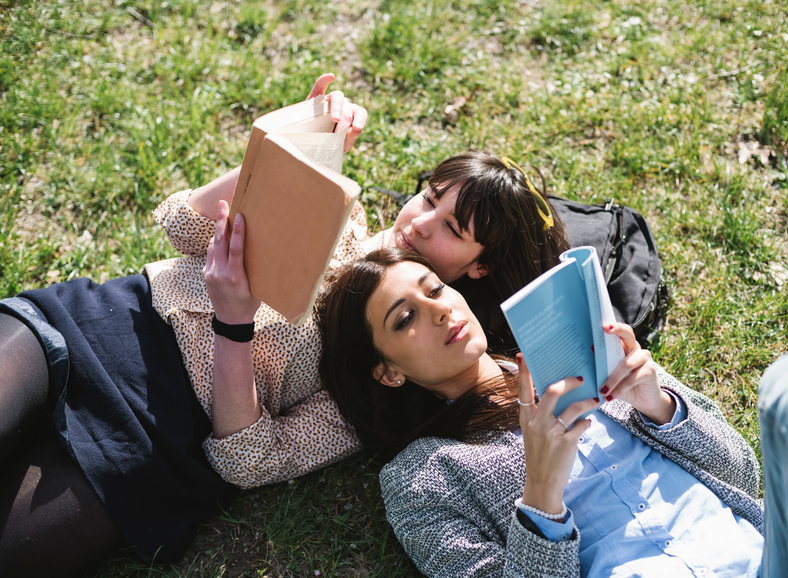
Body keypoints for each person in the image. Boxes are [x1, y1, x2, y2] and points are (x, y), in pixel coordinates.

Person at [0, 74, 570, 575]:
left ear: (479, 266)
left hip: (147, 446)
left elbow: (249, 458)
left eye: (451, 228)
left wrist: (234, 326)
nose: (421, 223)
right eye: (428, 198)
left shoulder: (391, 370)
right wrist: (294, 144)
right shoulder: (335, 211)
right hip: (101, 326)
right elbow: (184, 224)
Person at [316, 248, 788, 578]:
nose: (438, 309)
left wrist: (660, 406)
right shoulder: (420, 478)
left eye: (435, 288)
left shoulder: (572, 345)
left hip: (767, 558)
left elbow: (742, 474)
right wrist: (541, 494)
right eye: (406, 316)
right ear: (387, 372)